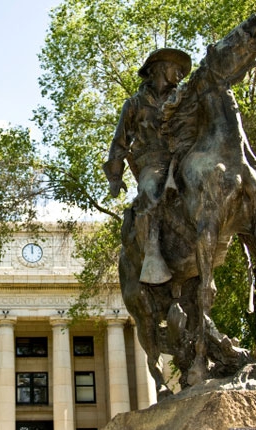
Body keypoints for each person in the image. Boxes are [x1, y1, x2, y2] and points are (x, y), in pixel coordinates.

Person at [104, 48, 192, 285]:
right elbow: (119, 142)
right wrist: (115, 176)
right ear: (161, 69)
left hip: (183, 159)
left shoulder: (184, 98)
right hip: (152, 162)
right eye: (177, 69)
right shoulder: (134, 104)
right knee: (150, 190)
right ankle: (152, 251)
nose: (181, 74)